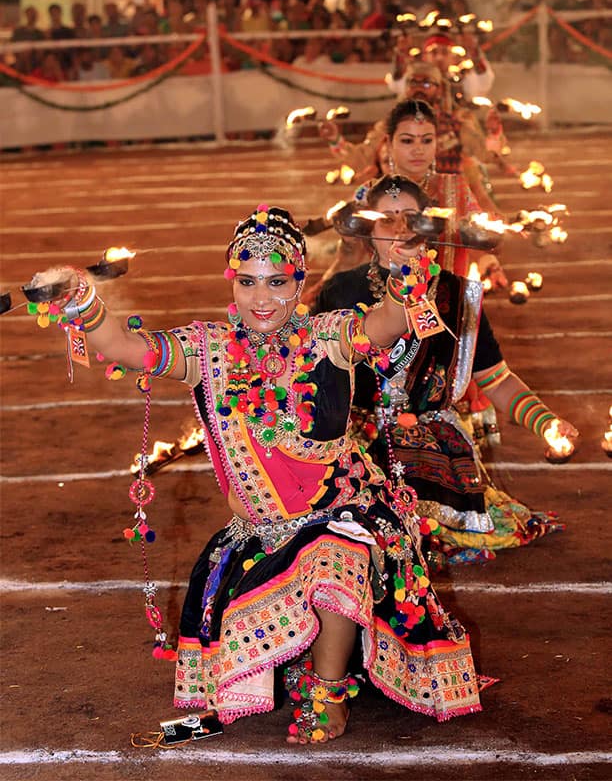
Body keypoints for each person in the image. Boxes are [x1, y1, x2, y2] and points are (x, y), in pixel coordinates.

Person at [35, 205, 483, 742]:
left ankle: (327, 690)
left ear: (300, 282)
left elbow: (386, 325)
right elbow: (126, 348)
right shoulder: (209, 349)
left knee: (334, 556)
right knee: (297, 575)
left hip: (341, 515)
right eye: (248, 282)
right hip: (258, 529)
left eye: (277, 281)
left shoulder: (327, 337)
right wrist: (80, 300)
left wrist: (403, 276)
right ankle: (303, 651)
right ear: (232, 281)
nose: (262, 298)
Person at [312, 176, 578, 568]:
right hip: (359, 437)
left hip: (434, 439)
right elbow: (316, 379)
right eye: (387, 219)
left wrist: (547, 424)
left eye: (411, 218)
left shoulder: (458, 295)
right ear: (369, 230)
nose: (400, 229)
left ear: (430, 228)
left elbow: (496, 378)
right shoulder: (338, 292)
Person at [320, 98, 503, 282]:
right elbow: (349, 258)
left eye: (427, 140)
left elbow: (475, 239)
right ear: (390, 144)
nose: (418, 150)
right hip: (384, 303)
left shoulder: (455, 188)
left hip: (446, 303)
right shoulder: (368, 193)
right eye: (407, 141)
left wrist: (489, 262)